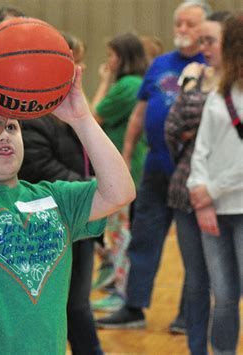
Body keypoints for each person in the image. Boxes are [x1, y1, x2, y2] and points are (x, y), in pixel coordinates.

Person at [0, 59, 135, 352]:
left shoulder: (55, 198)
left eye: (11, 126)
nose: (3, 134)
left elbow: (120, 192)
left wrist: (82, 118)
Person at [96, 0, 209, 331]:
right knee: (144, 238)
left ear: (206, 28)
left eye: (190, 24)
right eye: (179, 24)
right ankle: (133, 307)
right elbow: (140, 112)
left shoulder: (213, 65)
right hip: (156, 167)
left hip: (192, 171)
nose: (182, 31)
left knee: (192, 247)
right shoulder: (160, 64)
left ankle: (189, 315)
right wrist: (127, 152)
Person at [18, 32, 103, 354]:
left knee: (77, 303)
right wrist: (89, 191)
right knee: (72, 305)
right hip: (50, 222)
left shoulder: (67, 112)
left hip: (77, 217)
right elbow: (40, 165)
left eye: (79, 62)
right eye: (71, 62)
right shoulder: (33, 115)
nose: (77, 71)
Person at [165, 11, 231, 355]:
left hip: (228, 198)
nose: (202, 47)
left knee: (226, 287)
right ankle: (196, 351)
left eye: (209, 40)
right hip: (186, 191)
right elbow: (172, 127)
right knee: (195, 282)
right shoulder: (194, 75)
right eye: (200, 40)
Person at [187, 12, 243, 355]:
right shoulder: (221, 91)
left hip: (236, 205)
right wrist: (200, 194)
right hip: (212, 209)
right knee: (223, 296)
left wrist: (212, 189)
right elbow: (200, 149)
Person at [90, 32, 148, 312]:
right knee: (118, 234)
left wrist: (103, 82)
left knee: (120, 235)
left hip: (125, 170)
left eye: (112, 55)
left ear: (123, 57)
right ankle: (116, 286)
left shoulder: (127, 85)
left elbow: (93, 115)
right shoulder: (133, 83)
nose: (109, 60)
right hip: (128, 169)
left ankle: (121, 292)